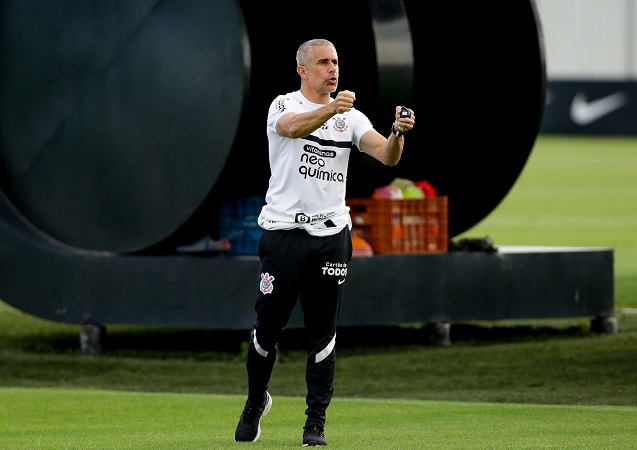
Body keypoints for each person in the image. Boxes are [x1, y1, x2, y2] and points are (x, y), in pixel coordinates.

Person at [234, 38, 415, 446]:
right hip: (283, 234)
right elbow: (293, 129)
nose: (332, 70)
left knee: (323, 332)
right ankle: (254, 403)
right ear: (303, 70)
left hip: (331, 235)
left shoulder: (351, 118)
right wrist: (331, 108)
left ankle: (314, 424)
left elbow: (387, 156)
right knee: (266, 331)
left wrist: (396, 132)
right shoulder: (283, 105)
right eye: (323, 63)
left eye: (335, 62)